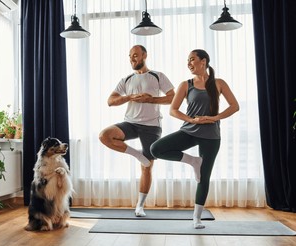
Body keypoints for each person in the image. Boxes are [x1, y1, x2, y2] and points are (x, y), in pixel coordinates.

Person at [150, 49, 239, 229]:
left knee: (203, 178)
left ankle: (197, 218)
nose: (189, 63)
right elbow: (173, 110)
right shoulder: (186, 84)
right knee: (156, 149)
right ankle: (193, 161)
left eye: (192, 60)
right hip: (189, 130)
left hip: (211, 135)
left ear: (203, 61)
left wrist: (213, 118)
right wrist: (191, 119)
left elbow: (234, 106)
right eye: (187, 61)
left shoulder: (219, 83)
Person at [99, 45, 175, 217]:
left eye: (135, 55)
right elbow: (110, 101)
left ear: (144, 55)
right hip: (131, 123)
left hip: (152, 126)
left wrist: (151, 100)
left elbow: (172, 98)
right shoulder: (126, 79)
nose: (132, 59)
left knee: (146, 167)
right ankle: (137, 154)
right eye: (130, 56)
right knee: (105, 136)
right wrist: (129, 97)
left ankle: (140, 206)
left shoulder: (157, 76)